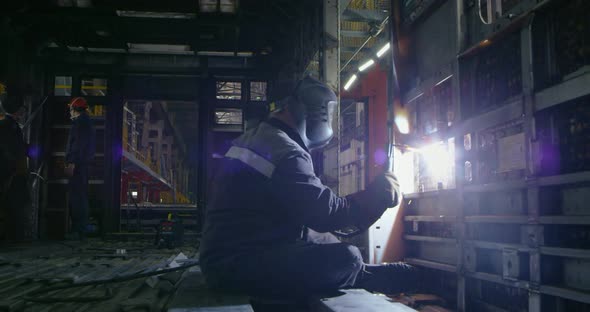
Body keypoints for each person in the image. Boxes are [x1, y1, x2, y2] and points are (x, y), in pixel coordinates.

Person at [200, 76, 416, 300]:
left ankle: (366, 274)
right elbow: (326, 214)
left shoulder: (258, 137)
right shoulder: (287, 151)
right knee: (347, 258)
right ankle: (365, 275)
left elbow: (303, 218)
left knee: (327, 240)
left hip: (228, 256)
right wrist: (377, 196)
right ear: (315, 112)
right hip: (236, 266)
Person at [0, 81, 30, 241]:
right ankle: (13, 234)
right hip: (10, 171)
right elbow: (11, 149)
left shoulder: (8, 126)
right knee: (13, 203)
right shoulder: (8, 127)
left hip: (11, 169)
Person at [65, 97, 95, 240]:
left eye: (70, 109)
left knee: (77, 196)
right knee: (80, 195)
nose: (69, 112)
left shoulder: (80, 123)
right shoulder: (86, 122)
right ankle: (81, 228)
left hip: (78, 165)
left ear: (74, 109)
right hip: (82, 163)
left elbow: (77, 144)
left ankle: (79, 229)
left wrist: (72, 162)